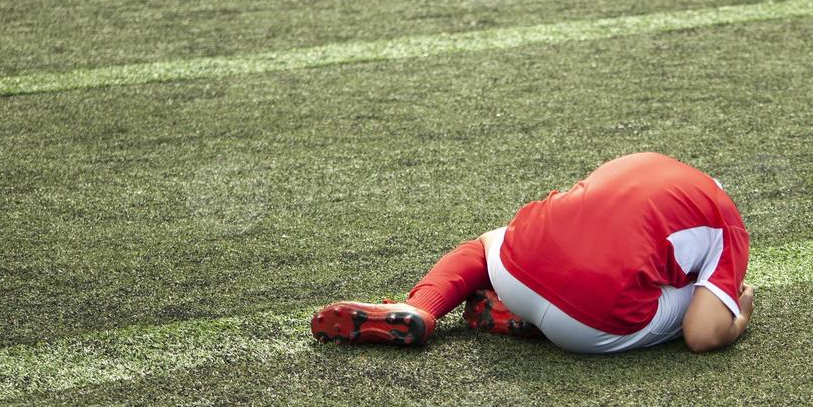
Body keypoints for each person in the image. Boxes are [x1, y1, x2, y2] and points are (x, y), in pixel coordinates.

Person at [311, 152, 754, 354]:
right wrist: (738, 319)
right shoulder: (727, 222)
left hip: (519, 267)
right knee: (703, 308)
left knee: (485, 244)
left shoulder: (646, 160)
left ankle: (422, 307)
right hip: (590, 326)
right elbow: (701, 335)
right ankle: (534, 322)